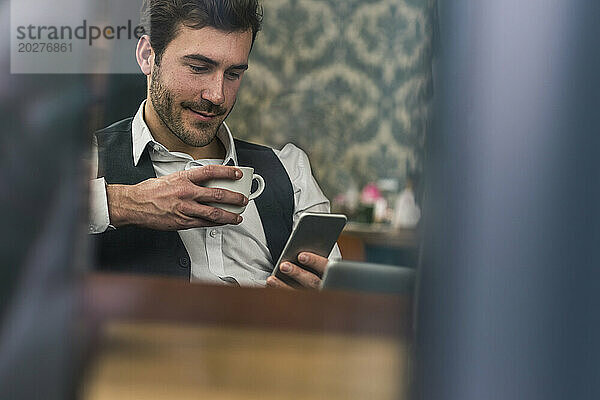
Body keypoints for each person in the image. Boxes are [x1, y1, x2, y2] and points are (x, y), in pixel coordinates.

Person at [89, 0, 340, 289]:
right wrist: (123, 202)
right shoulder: (86, 159)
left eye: (233, 74)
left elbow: (337, 301)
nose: (217, 95)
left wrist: (322, 305)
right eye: (198, 67)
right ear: (148, 56)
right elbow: (28, 224)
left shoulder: (291, 172)